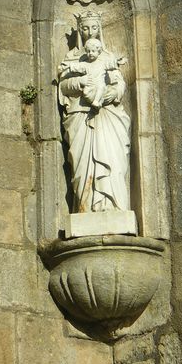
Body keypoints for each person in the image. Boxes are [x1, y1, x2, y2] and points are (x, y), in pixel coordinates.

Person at [58, 12, 130, 213]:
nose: (90, 32)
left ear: (100, 30)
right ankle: (86, 206)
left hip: (107, 115)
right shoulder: (73, 58)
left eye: (94, 28)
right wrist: (78, 82)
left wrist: (113, 93)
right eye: (86, 29)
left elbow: (119, 83)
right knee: (82, 167)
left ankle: (111, 204)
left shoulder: (107, 57)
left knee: (112, 159)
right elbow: (63, 87)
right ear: (80, 31)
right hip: (80, 115)